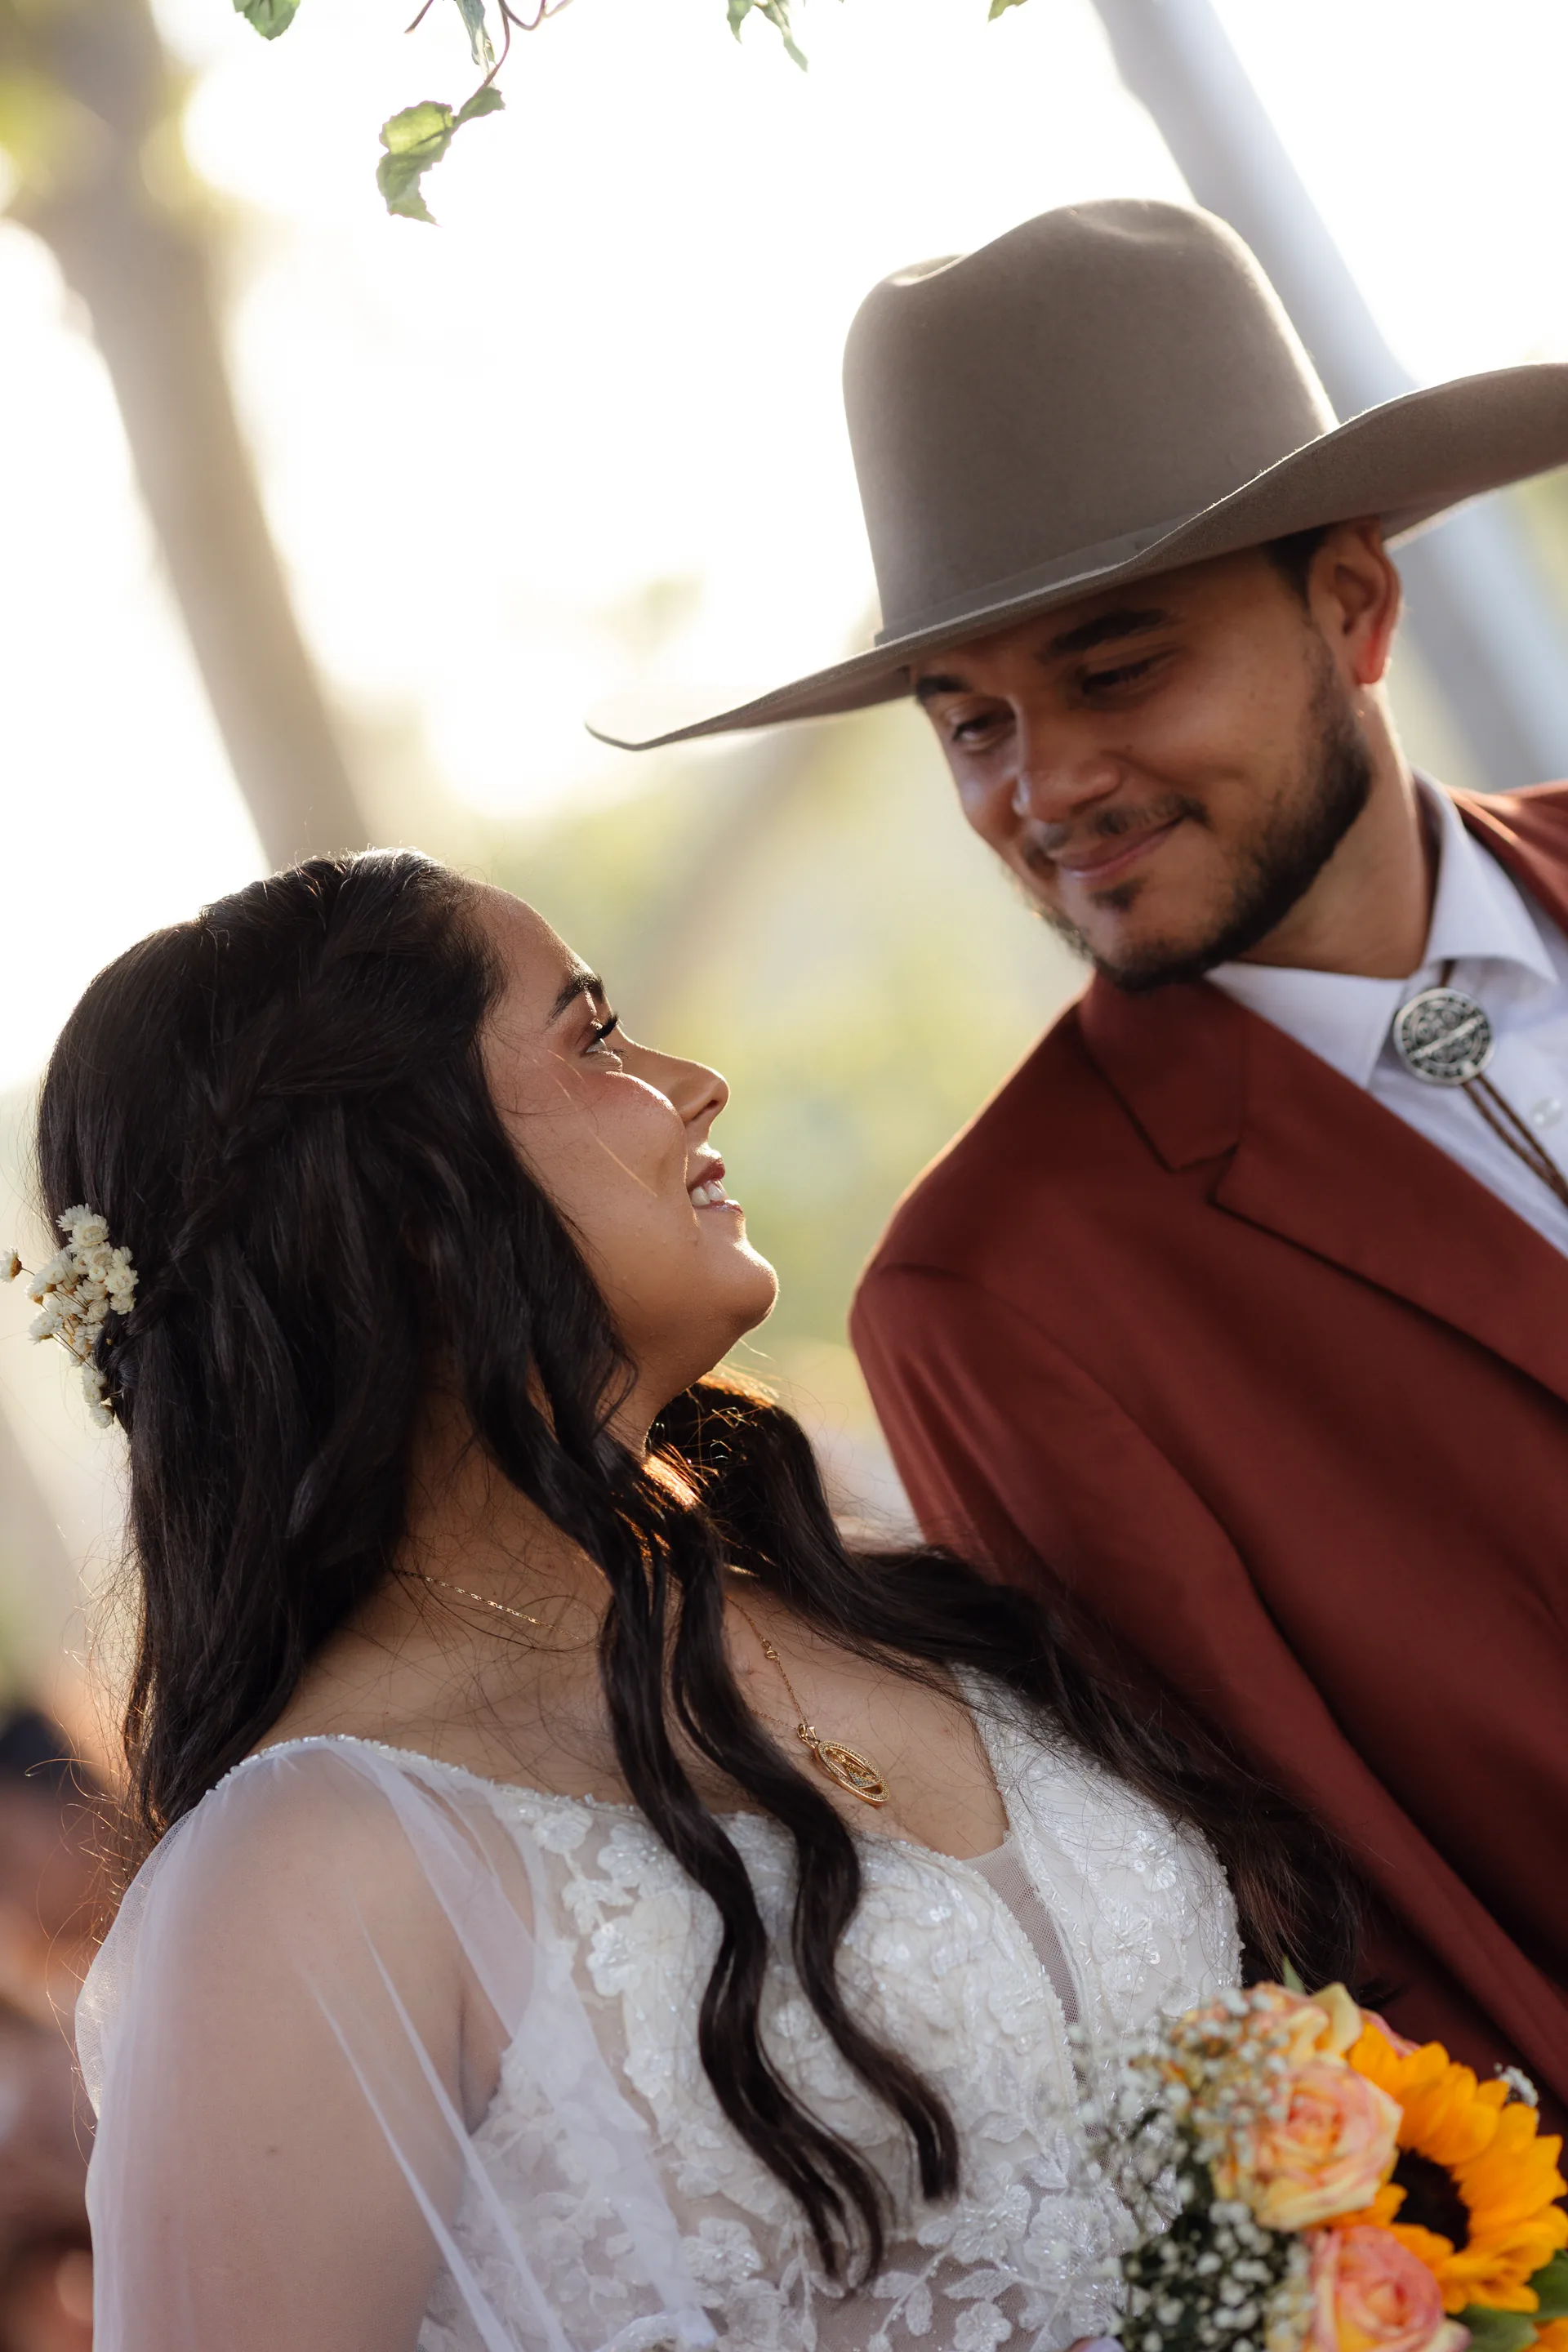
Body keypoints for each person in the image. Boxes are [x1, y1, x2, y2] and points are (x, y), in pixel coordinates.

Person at [38, 853, 1352, 2352]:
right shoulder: (309, 1870)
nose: (697, 1082)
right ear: (403, 1198)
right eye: (592, 1038)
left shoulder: (891, 1597)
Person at [593, 204, 1568, 2118]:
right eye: (974, 726)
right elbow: (1325, 1910)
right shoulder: (1005, 1293)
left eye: (1117, 674)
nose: (1043, 791)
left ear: (1354, 609)